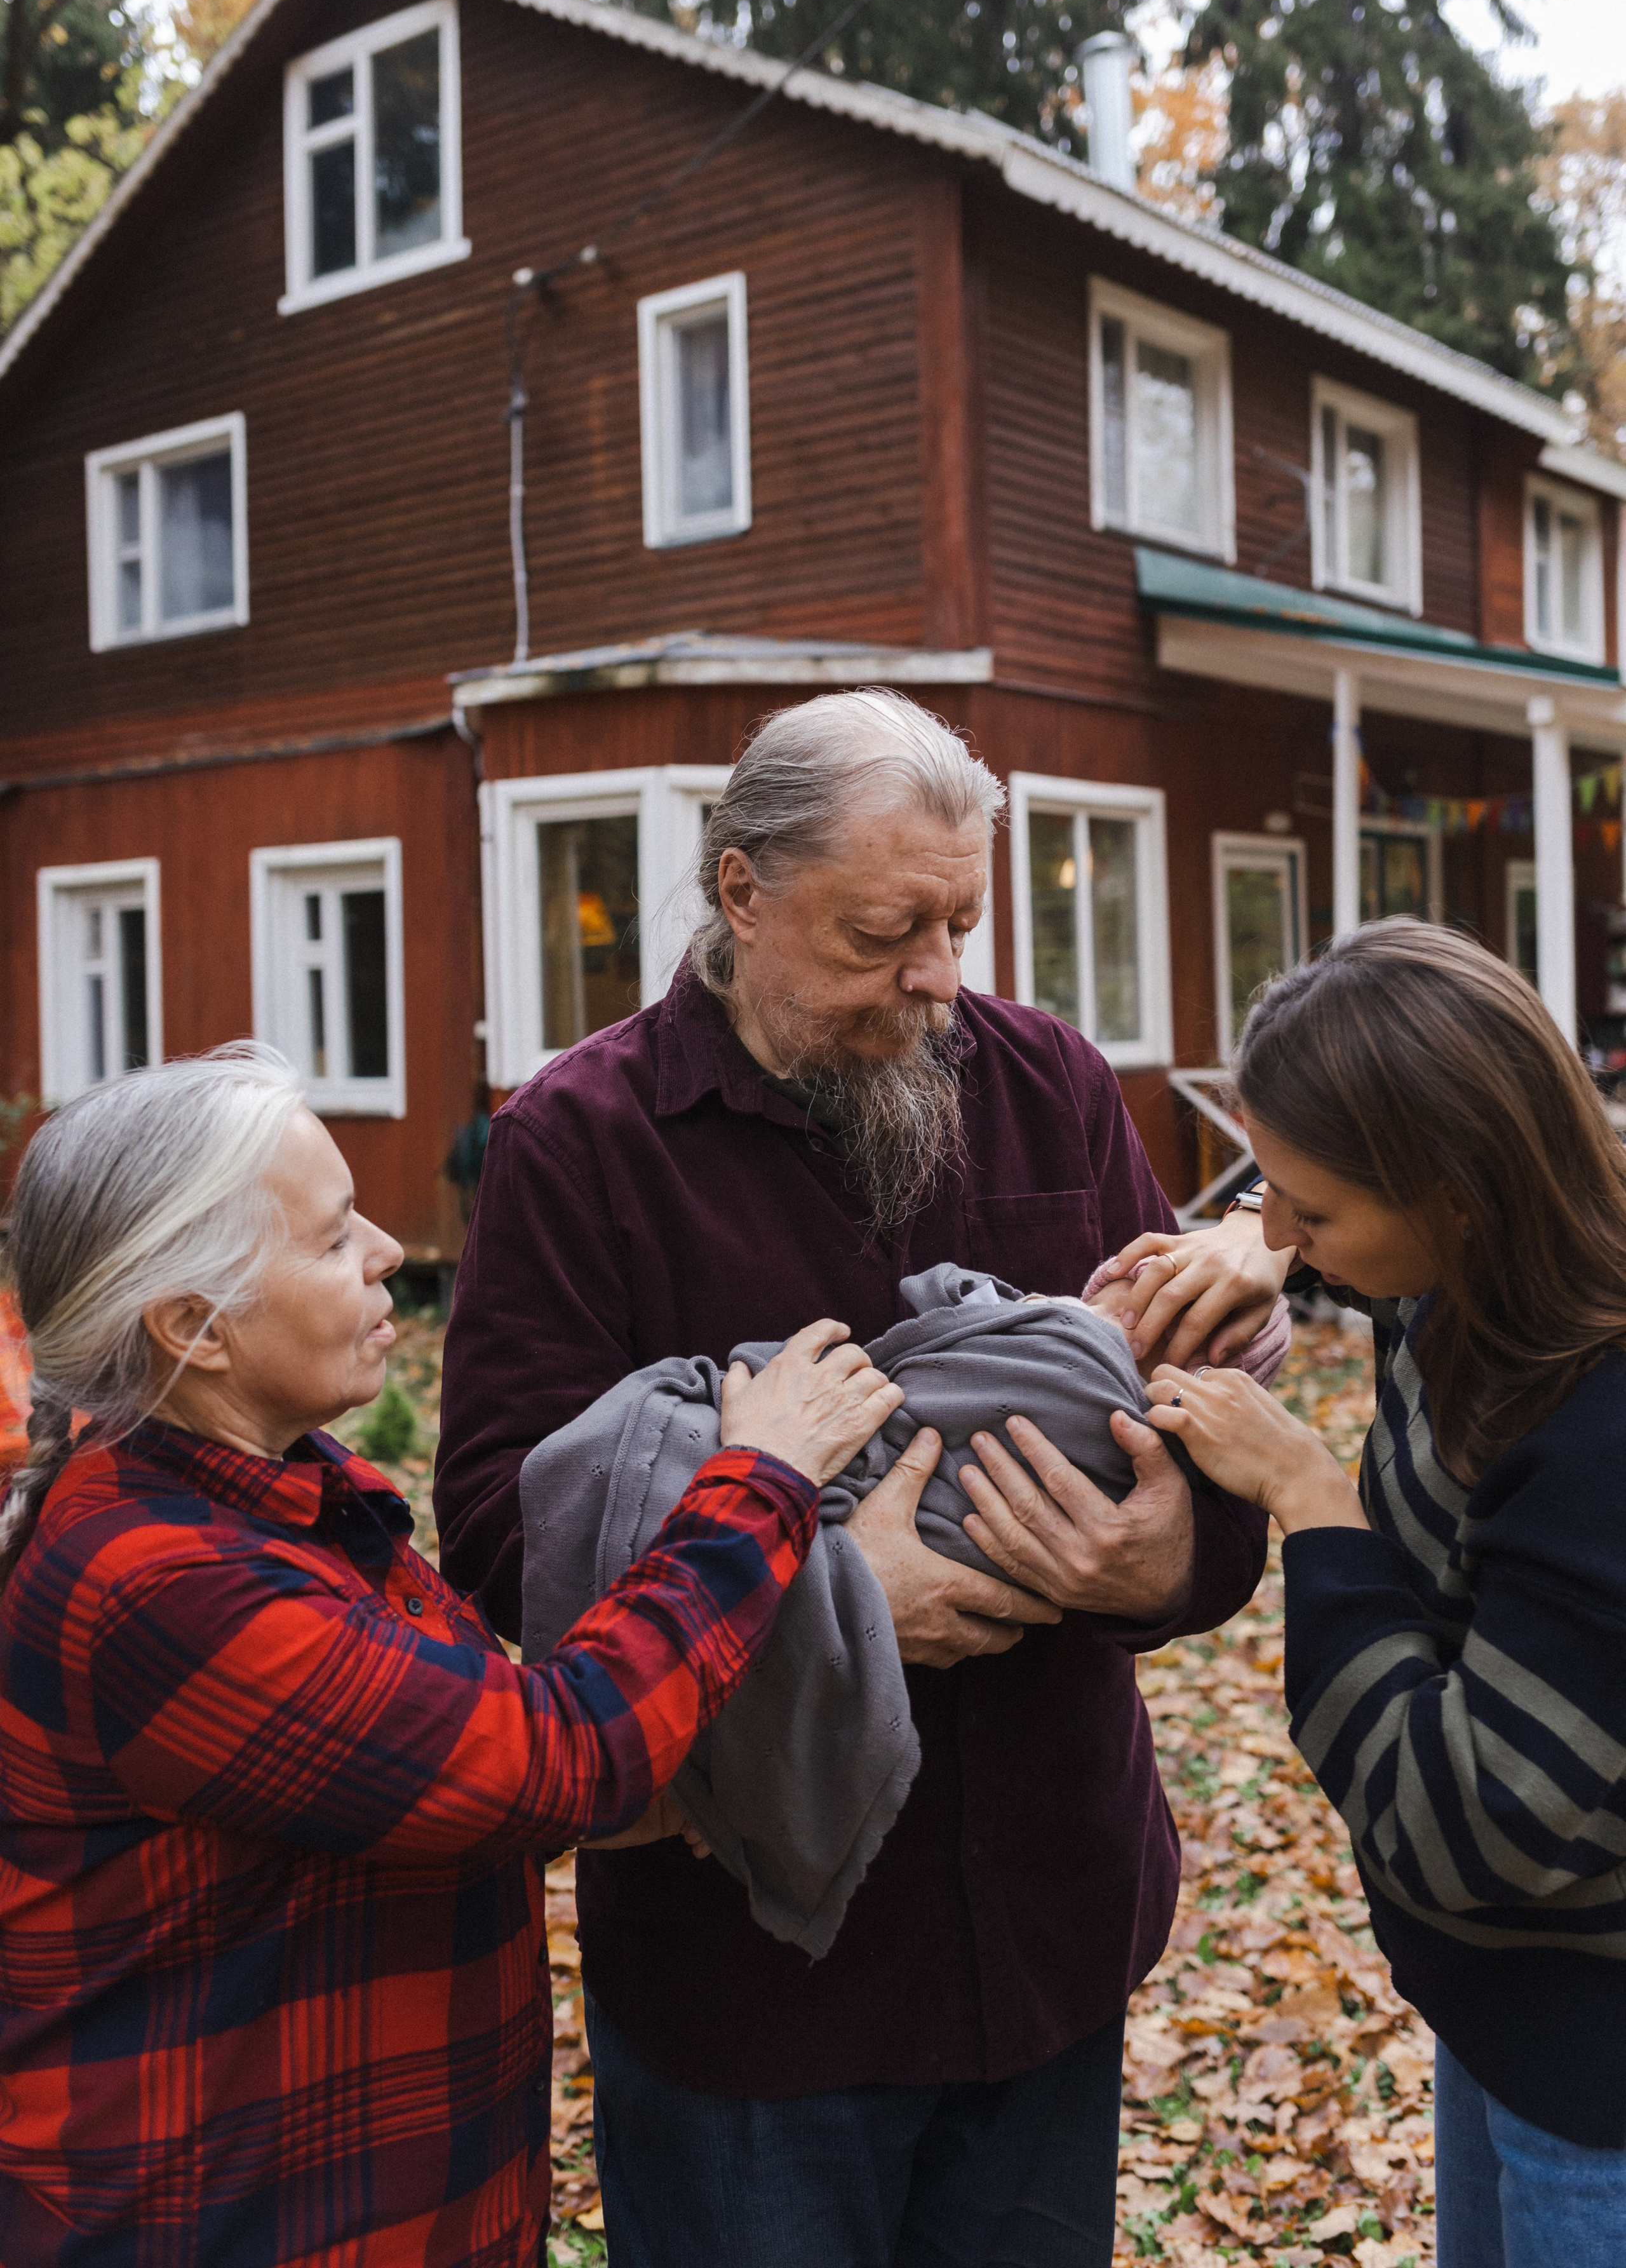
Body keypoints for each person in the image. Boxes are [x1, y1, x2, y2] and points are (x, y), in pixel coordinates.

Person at [435, 689, 1293, 2268]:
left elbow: (1194, 1424)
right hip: (754, 1986)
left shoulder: (1049, 1082)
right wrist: (822, 1604)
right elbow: (501, 1531)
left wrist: (1172, 1553)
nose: (937, 980)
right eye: (885, 931)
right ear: (742, 892)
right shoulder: (577, 1142)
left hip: (1046, 1923)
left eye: (962, 923)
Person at [0, 1043, 902, 2266]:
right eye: (328, 1242)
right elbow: (557, 1752)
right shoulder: (158, 1582)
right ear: (189, 1329)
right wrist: (764, 1479)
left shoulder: (281, 1500)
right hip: (226, 2218)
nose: (383, 1251)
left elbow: (456, 1750)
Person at [1140, 919, 1626, 2268]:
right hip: (1504, 2020)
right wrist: (1258, 1246)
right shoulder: (1478, 1287)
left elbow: (1466, 1833)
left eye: (1317, 1209)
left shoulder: (1595, 1433)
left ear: (1456, 1187)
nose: (1285, 1227)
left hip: (1597, 2074)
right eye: (1266, 1184)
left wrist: (1312, 1504)